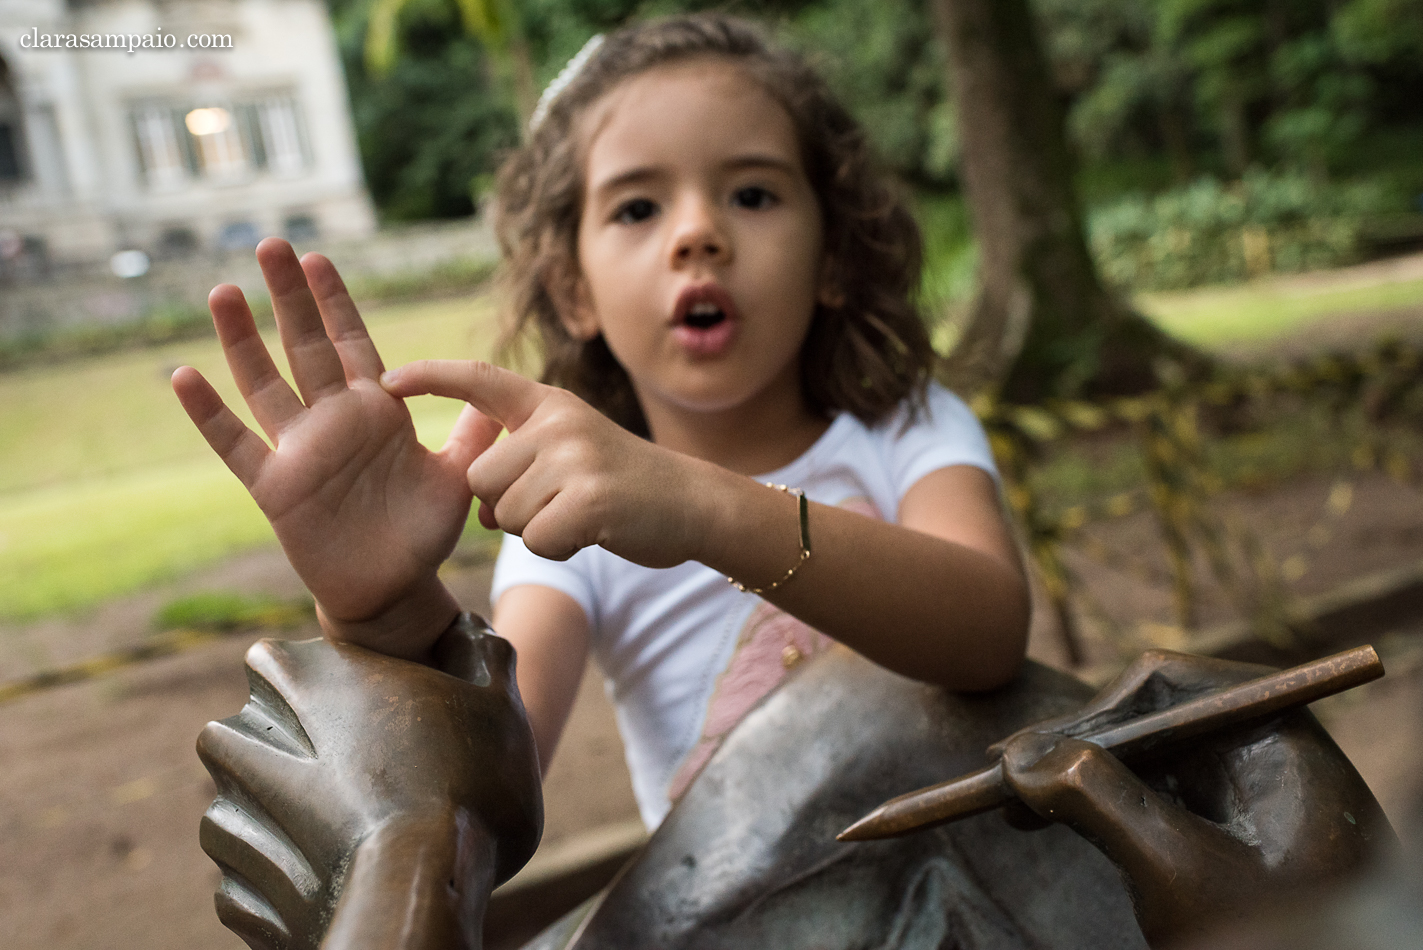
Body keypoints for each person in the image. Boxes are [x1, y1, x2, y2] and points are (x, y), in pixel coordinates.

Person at [172, 13, 1031, 831]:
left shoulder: (908, 428)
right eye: (636, 208)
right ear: (572, 290)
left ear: (833, 255)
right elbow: (486, 797)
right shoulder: (565, 522)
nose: (697, 232)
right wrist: (387, 617)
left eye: (753, 194)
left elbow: (989, 634)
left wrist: (705, 508)